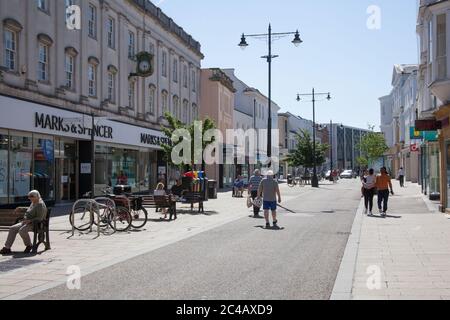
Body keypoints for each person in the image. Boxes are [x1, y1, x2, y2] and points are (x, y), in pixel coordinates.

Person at [0, 190, 47, 255]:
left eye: (31, 196)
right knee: (12, 228)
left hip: (35, 224)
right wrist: (21, 208)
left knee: (22, 230)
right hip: (26, 222)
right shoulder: (34, 202)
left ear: (37, 196)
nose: (29, 198)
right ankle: (7, 247)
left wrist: (29, 221)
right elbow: (31, 209)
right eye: (29, 196)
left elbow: (40, 218)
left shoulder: (40, 204)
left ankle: (29, 245)